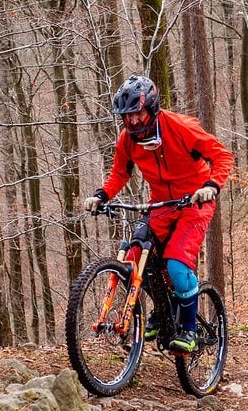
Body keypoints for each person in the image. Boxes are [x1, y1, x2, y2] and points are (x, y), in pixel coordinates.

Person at [84, 76, 233, 353]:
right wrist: (102, 195)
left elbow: (222, 156)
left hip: (194, 202)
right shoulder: (128, 140)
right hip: (161, 205)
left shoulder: (180, 127)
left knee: (176, 264)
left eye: (137, 115)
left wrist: (211, 186)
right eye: (127, 117)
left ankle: (188, 330)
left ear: (151, 107)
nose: (133, 123)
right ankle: (163, 312)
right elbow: (120, 173)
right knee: (134, 259)